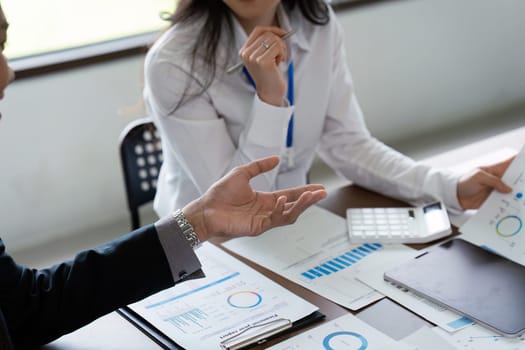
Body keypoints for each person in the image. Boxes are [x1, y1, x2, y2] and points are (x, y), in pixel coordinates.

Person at [0, 5, 327, 349]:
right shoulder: (174, 59)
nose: (8, 74)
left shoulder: (315, 21)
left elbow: (27, 306)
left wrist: (196, 223)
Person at [144, 0, 513, 219]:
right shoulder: (175, 61)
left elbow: (347, 143)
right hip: (211, 241)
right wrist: (271, 98)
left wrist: (449, 187)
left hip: (296, 221)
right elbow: (239, 202)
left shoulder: (315, 21)